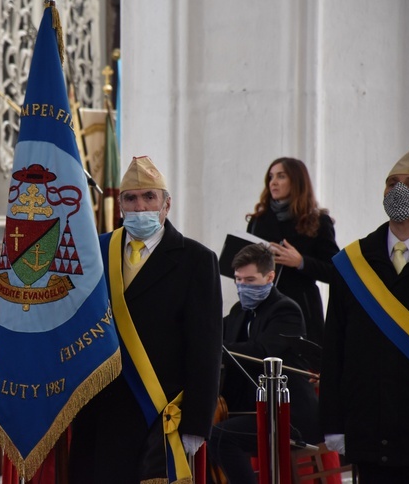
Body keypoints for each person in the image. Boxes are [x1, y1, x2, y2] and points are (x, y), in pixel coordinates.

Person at [69, 156, 223, 483]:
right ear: (120, 206)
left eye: (149, 197)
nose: (140, 207)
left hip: (158, 410)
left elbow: (206, 350)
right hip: (99, 408)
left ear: (167, 205)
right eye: (131, 199)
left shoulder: (196, 260)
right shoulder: (96, 251)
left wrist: (197, 424)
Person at [320, 145, 409, 482]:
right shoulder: (352, 262)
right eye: (392, 182)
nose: (400, 190)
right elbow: (334, 348)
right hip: (370, 428)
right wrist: (333, 424)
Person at [208, 243, 320, 483]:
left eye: (250, 280)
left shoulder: (285, 309)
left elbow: (261, 352)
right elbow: (215, 335)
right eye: (238, 280)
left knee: (220, 437)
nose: (242, 287)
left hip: (289, 414)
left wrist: (214, 347)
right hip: (254, 409)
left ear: (270, 277)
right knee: (201, 429)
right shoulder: (240, 310)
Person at [246, 157, 339, 346]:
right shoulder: (258, 221)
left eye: (281, 176)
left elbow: (335, 271)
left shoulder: (318, 221)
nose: (273, 182)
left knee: (301, 369)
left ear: (296, 181)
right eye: (271, 177)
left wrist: (300, 262)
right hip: (264, 306)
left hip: (302, 307)